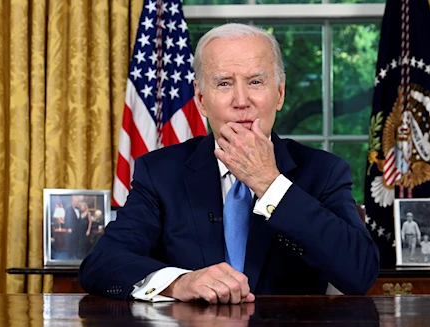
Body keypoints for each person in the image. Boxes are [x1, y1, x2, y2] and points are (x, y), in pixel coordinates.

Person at [79, 23, 380, 303]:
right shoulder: (159, 172)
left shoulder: (324, 171)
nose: (241, 100)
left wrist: (269, 183)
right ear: (200, 99)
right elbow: (102, 264)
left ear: (279, 93)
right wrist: (180, 283)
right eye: (224, 83)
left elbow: (359, 273)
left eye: (256, 82)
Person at [64, 195, 84, 260]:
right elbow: (66, 219)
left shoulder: (79, 209)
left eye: (77, 201)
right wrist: (68, 228)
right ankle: (70, 255)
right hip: (71, 229)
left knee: (77, 242)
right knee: (71, 242)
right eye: (75, 201)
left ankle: (76, 254)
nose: (76, 202)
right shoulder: (68, 209)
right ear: (72, 201)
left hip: (78, 229)